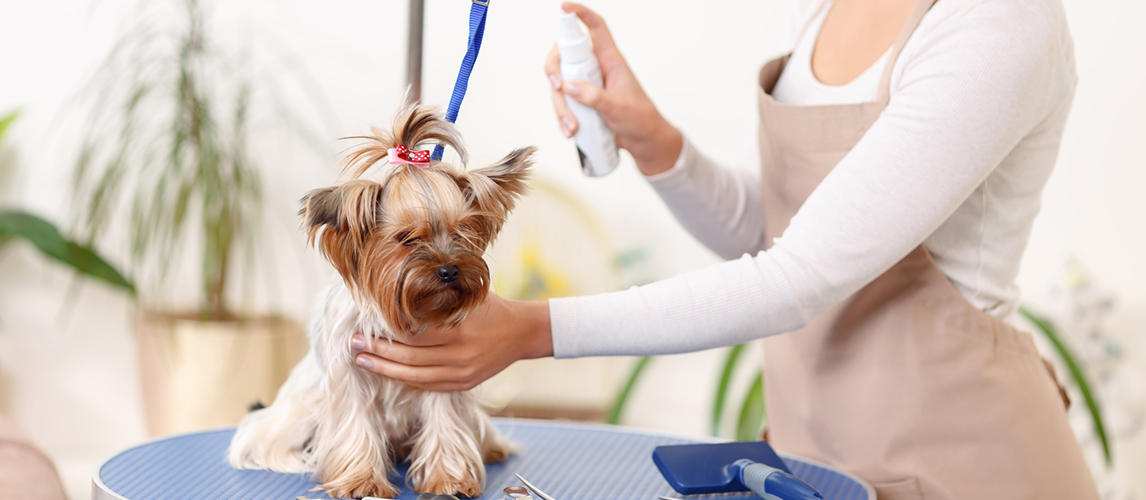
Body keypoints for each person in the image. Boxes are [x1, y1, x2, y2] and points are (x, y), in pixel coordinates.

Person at [349, 0, 1099, 498]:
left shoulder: (1000, 21)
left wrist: (535, 330)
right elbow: (780, 233)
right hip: (819, 460)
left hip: (963, 465)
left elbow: (799, 276)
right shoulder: (829, 10)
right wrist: (653, 140)